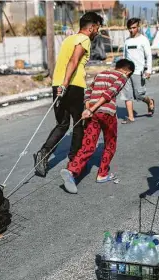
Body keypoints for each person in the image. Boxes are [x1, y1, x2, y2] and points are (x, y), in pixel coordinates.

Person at [33, 12, 104, 177]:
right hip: (73, 86)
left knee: (62, 124)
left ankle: (42, 154)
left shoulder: (68, 39)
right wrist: (66, 84)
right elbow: (74, 60)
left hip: (57, 84)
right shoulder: (84, 39)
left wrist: (60, 85)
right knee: (79, 123)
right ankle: (75, 160)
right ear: (91, 27)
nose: (98, 32)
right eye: (97, 28)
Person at [60, 59, 135, 194]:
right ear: (127, 71)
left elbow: (88, 92)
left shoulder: (100, 74)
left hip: (92, 114)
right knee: (110, 143)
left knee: (88, 145)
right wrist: (93, 108)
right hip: (107, 112)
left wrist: (88, 108)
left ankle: (72, 171)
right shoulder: (122, 76)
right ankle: (102, 174)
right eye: (129, 75)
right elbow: (109, 93)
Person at [121, 18, 155, 124]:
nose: (132, 30)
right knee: (126, 95)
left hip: (138, 71)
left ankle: (150, 101)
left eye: (134, 27)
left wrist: (148, 70)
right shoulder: (127, 41)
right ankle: (131, 117)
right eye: (130, 28)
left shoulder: (143, 40)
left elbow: (148, 55)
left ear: (138, 27)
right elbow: (124, 56)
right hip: (127, 72)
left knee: (139, 95)